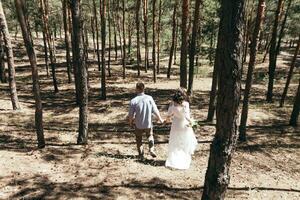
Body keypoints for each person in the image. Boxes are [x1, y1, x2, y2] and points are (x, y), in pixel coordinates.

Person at [128, 82, 164, 159]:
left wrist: (130, 122)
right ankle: (151, 149)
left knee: (139, 138)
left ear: (136, 89)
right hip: (148, 123)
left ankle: (141, 155)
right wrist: (160, 119)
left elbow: (131, 114)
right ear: (144, 88)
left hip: (138, 124)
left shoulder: (133, 101)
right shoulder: (149, 98)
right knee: (150, 136)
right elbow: (155, 110)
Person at [165, 88, 197, 169]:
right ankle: (183, 160)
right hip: (183, 124)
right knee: (184, 142)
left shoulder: (172, 104)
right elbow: (187, 116)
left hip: (175, 124)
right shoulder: (185, 104)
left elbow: (169, 115)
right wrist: (192, 122)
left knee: (175, 142)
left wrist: (167, 120)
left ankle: (173, 160)